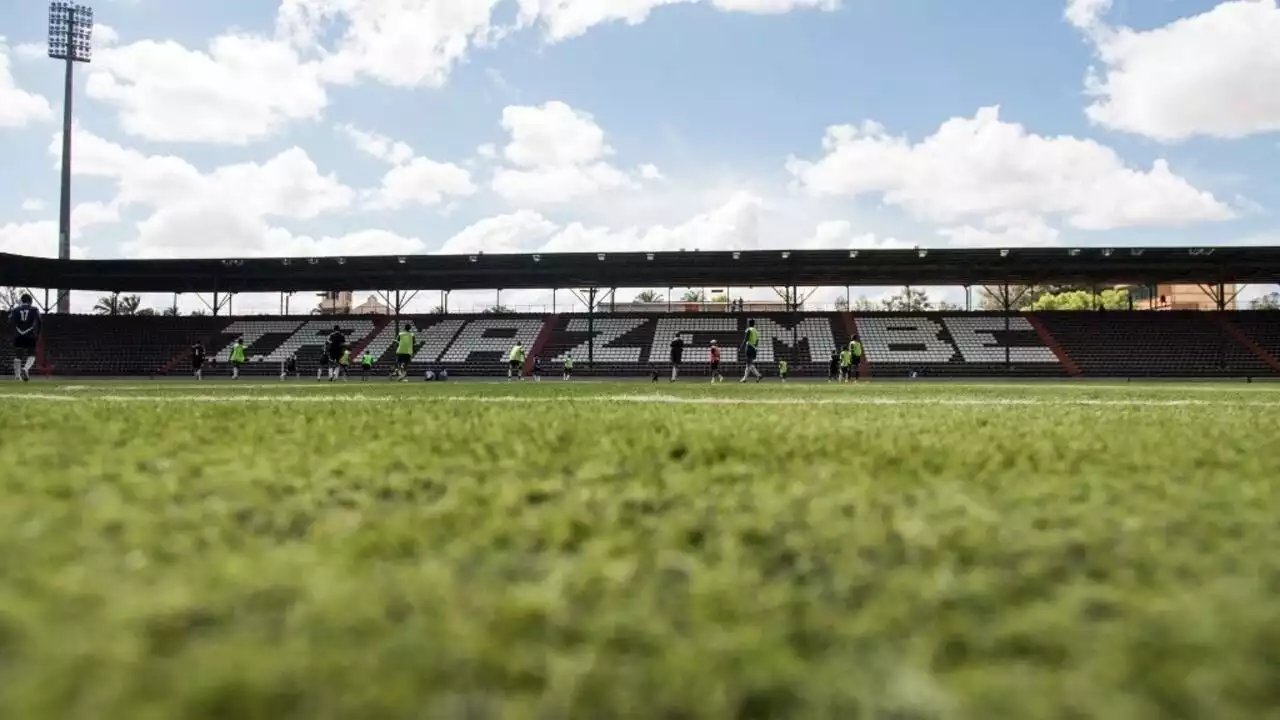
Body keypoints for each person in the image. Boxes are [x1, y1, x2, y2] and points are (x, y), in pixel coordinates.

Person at [9, 293, 40, 382]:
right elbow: (40, 321)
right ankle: (26, 368)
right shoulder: (34, 309)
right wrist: (37, 333)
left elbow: (10, 320)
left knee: (18, 355)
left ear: (22, 300)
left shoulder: (16, 309)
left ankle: (17, 376)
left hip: (18, 334)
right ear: (30, 301)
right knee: (32, 354)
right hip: (30, 334)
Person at [739, 319, 762, 383]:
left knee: (749, 363)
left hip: (749, 347)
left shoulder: (749, 330)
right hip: (754, 348)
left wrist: (741, 347)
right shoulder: (756, 331)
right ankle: (745, 379)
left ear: (749, 323)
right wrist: (755, 348)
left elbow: (746, 339)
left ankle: (758, 375)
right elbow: (757, 341)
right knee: (748, 364)